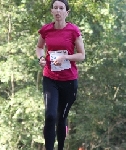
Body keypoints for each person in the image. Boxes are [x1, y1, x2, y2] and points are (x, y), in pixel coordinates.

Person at [36, 0, 85, 150]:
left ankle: (61, 147)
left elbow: (82, 55)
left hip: (69, 81)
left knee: (61, 118)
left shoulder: (73, 31)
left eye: (61, 8)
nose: (58, 11)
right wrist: (41, 58)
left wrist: (65, 58)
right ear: (51, 11)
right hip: (50, 78)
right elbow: (39, 47)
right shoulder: (46, 30)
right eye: (55, 8)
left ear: (66, 12)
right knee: (50, 116)